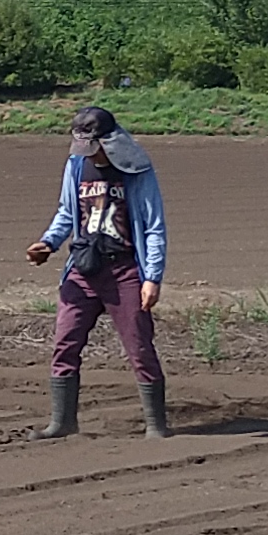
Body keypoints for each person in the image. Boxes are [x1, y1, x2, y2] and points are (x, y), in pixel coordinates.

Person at [25, 102, 171, 438]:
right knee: (65, 342)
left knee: (139, 347)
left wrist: (152, 277)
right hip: (82, 269)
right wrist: (48, 244)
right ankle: (62, 422)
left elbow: (153, 227)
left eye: (93, 148)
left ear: (110, 142)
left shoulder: (137, 170)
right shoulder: (76, 166)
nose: (88, 155)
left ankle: (156, 426)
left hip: (124, 272)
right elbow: (67, 211)